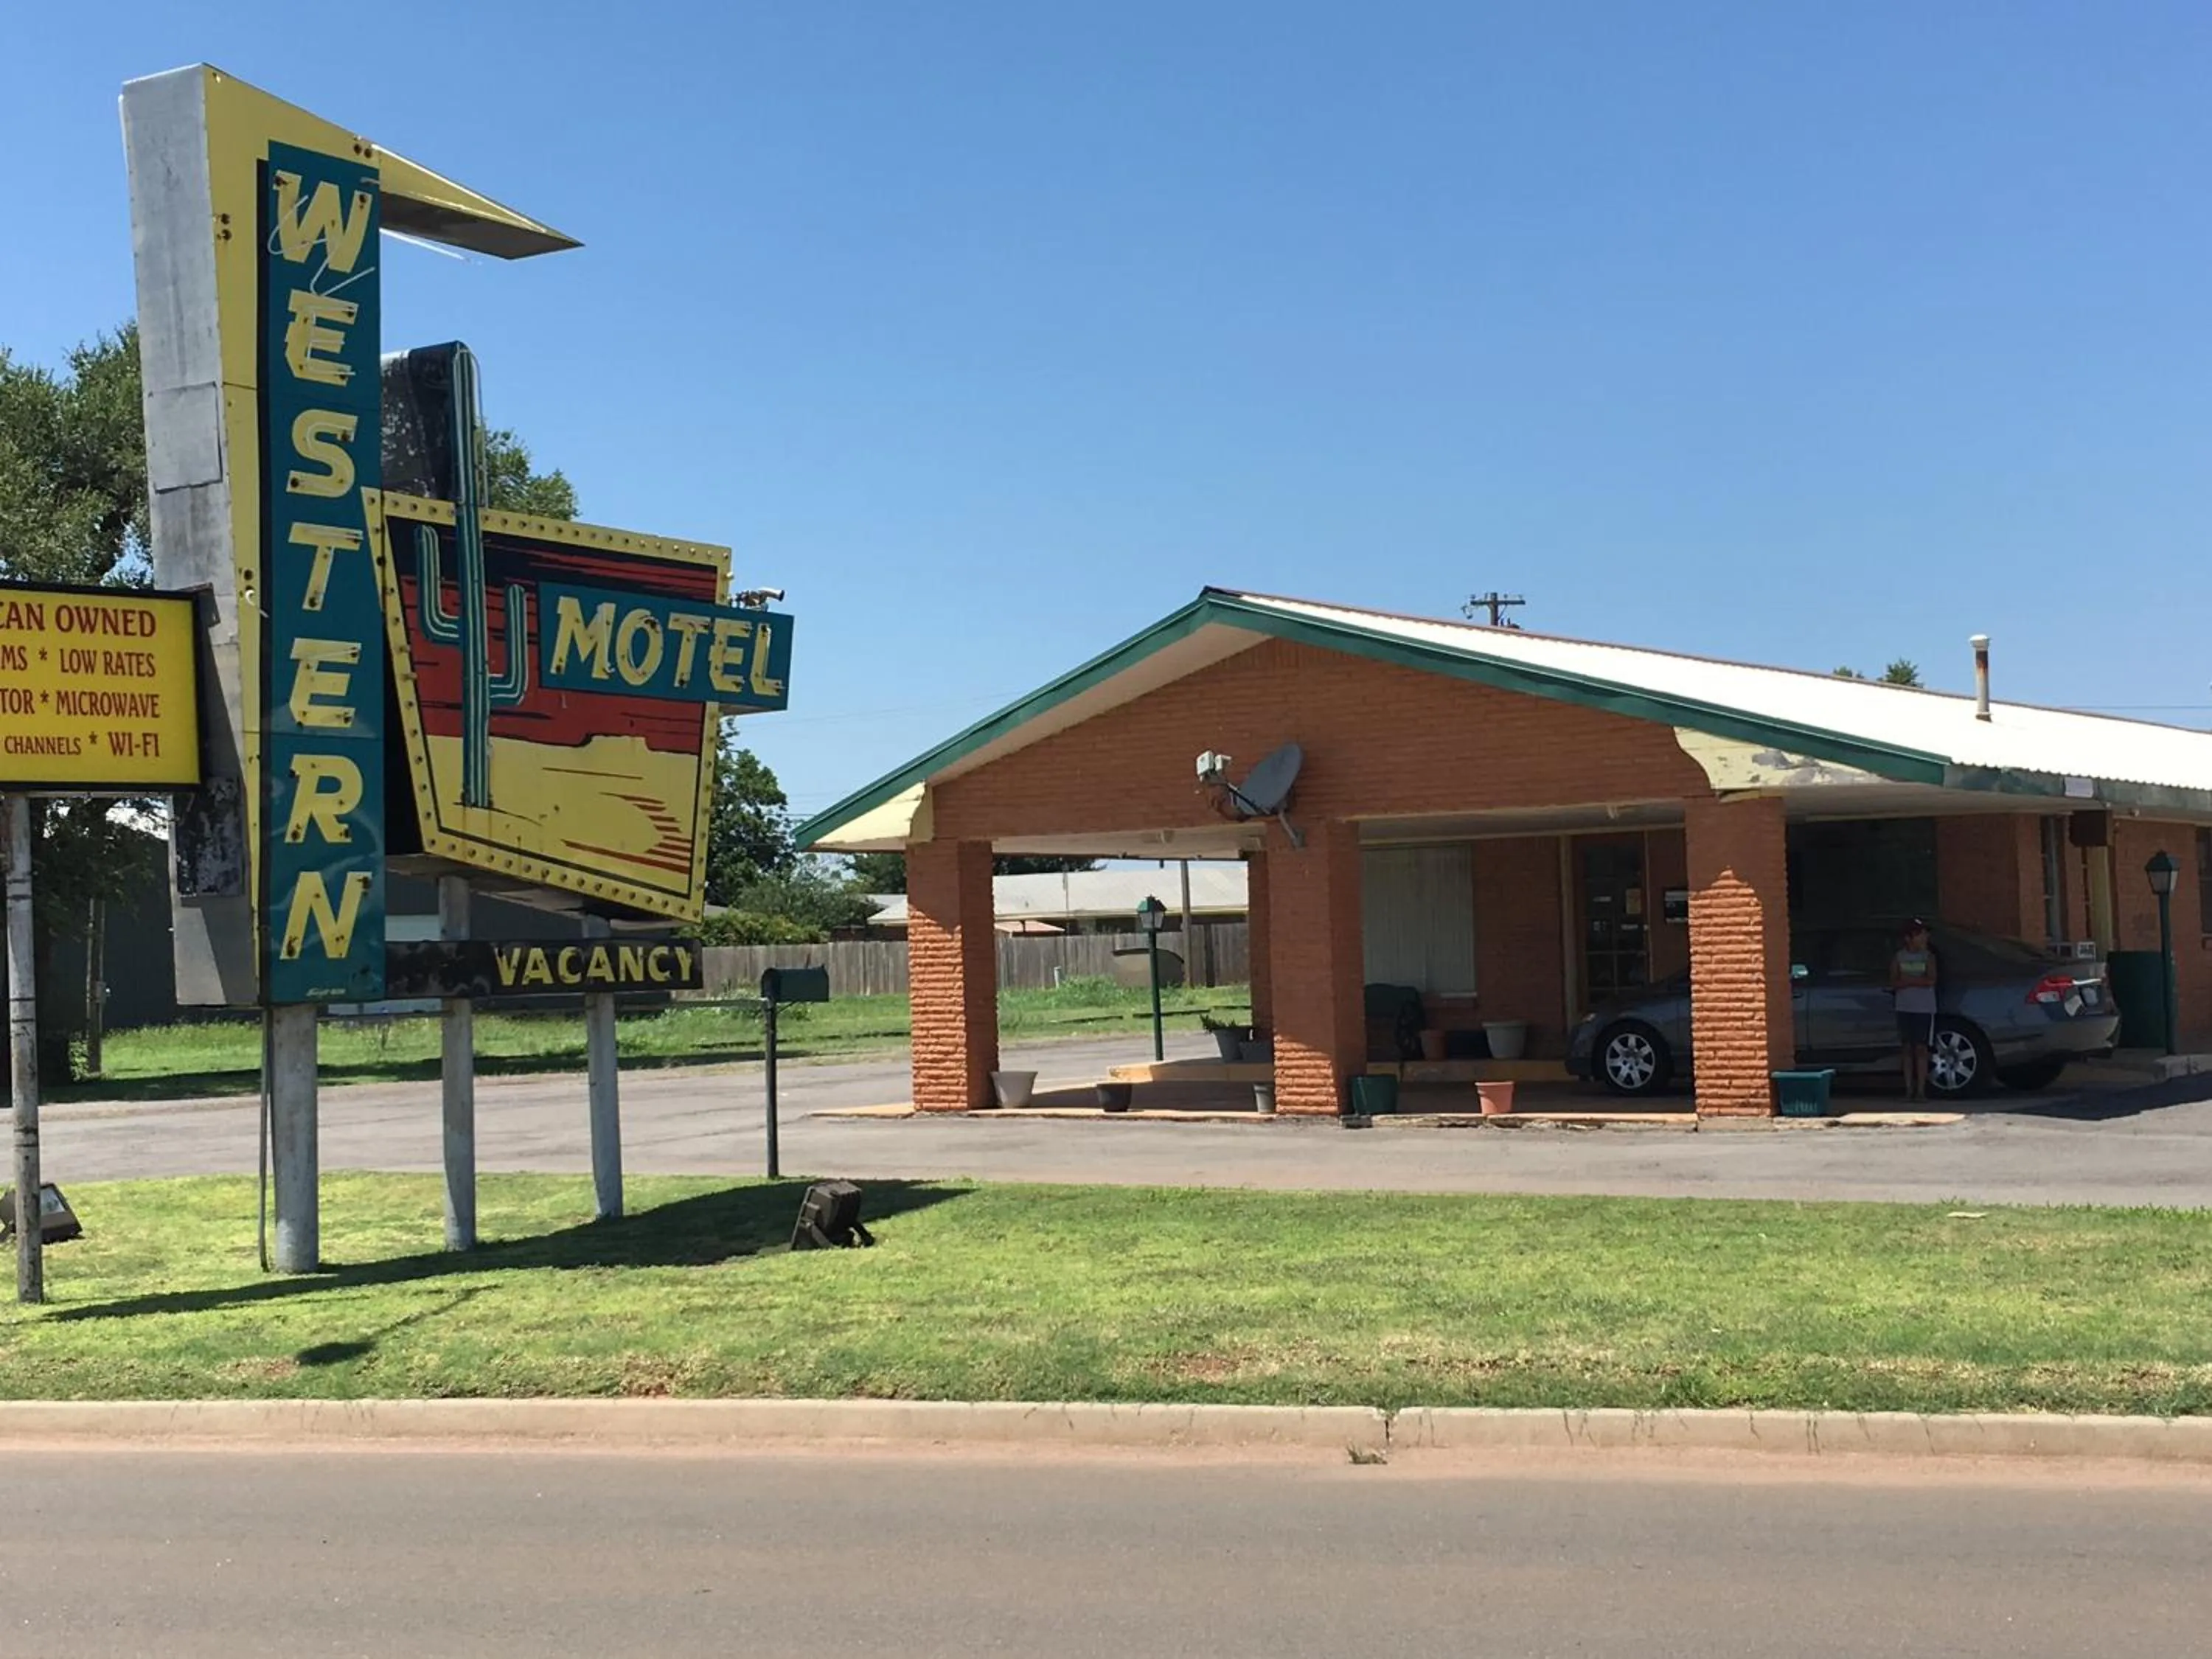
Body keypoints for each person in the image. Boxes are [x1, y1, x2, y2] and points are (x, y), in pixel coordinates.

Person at [1890, 919, 1940, 1102]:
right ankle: (1908, 1088)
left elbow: (1931, 980)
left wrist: (1908, 980)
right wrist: (1916, 980)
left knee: (1921, 1048)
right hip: (1904, 1007)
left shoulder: (1929, 957)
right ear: (1909, 938)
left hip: (1924, 1008)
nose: (1924, 937)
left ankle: (1921, 1090)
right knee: (1907, 1048)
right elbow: (1895, 982)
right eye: (1920, 934)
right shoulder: (1899, 957)